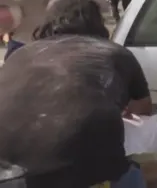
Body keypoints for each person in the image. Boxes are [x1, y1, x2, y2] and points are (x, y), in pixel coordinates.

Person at [0, 36, 146, 188]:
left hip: (6, 169)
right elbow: (143, 110)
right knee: (131, 173)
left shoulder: (21, 54)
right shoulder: (116, 53)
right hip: (71, 163)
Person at [33, 0, 152, 116]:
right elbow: (143, 106)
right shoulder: (117, 55)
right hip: (101, 131)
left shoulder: (27, 55)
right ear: (97, 21)